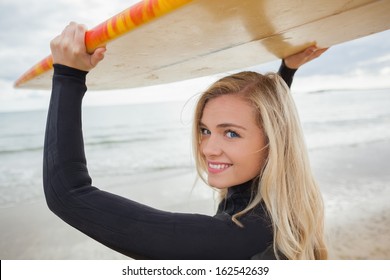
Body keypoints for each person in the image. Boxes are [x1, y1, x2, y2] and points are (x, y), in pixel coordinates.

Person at [44, 22, 328, 259]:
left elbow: (67, 195)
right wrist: (286, 71)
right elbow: (270, 124)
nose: (207, 148)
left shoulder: (235, 241)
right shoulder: (281, 210)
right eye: (205, 130)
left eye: (230, 133)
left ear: (273, 143)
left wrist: (68, 76)